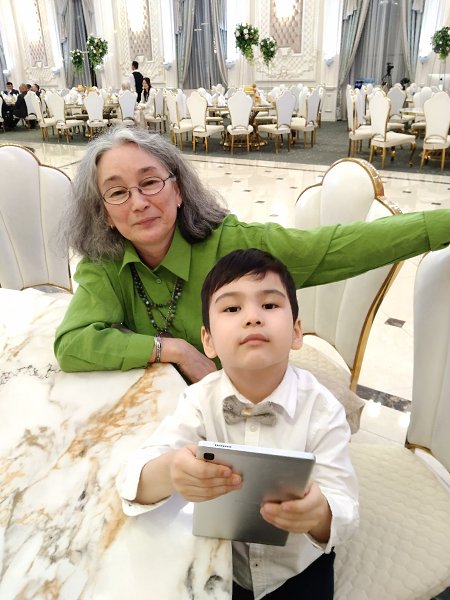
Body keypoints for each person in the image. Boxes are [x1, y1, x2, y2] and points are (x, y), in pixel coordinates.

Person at [54, 126, 450, 382]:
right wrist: (173, 350)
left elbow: (334, 248)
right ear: (104, 214)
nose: (139, 202)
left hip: (240, 405)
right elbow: (72, 343)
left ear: (178, 190)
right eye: (118, 192)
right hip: (158, 414)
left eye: (150, 182)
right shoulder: (104, 264)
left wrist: (441, 225)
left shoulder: (231, 245)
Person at [116, 248, 358, 599]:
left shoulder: (322, 411)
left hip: (299, 566)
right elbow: (131, 479)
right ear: (208, 341)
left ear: (296, 332)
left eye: (269, 305)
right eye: (232, 308)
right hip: (223, 564)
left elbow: (346, 507)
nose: (252, 317)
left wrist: (319, 513)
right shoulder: (199, 401)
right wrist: (171, 471)